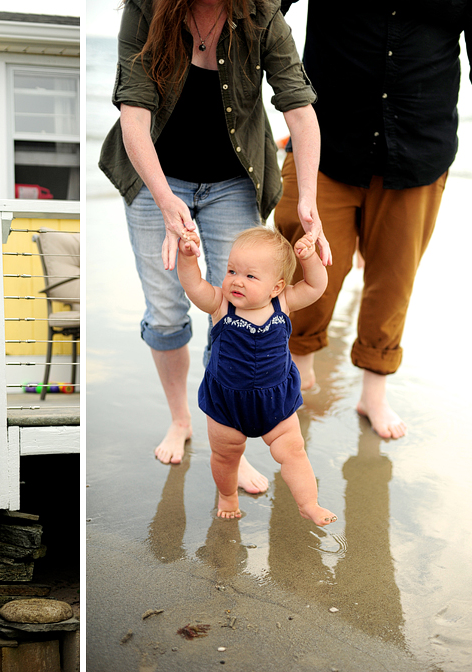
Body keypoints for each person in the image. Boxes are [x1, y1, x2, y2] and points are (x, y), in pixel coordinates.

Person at [98, 0, 331, 485]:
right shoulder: (146, 9)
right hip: (155, 178)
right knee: (165, 311)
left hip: (234, 179)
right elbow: (133, 114)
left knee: (235, 304)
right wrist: (166, 202)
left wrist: (308, 199)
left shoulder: (263, 15)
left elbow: (301, 112)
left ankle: (229, 436)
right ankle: (182, 419)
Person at [275, 1, 472, 439]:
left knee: (393, 276)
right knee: (307, 262)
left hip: (420, 149)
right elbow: (262, 10)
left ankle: (375, 394)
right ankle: (300, 372)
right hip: (324, 146)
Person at [176, 226, 336, 525]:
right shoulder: (220, 305)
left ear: (276, 287)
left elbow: (316, 286)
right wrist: (187, 258)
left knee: (294, 452)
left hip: (276, 402)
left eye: (250, 276)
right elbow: (193, 285)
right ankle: (227, 496)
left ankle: (309, 504)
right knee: (225, 456)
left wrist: (309, 258)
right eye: (232, 270)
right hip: (226, 402)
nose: (237, 280)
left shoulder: (283, 303)